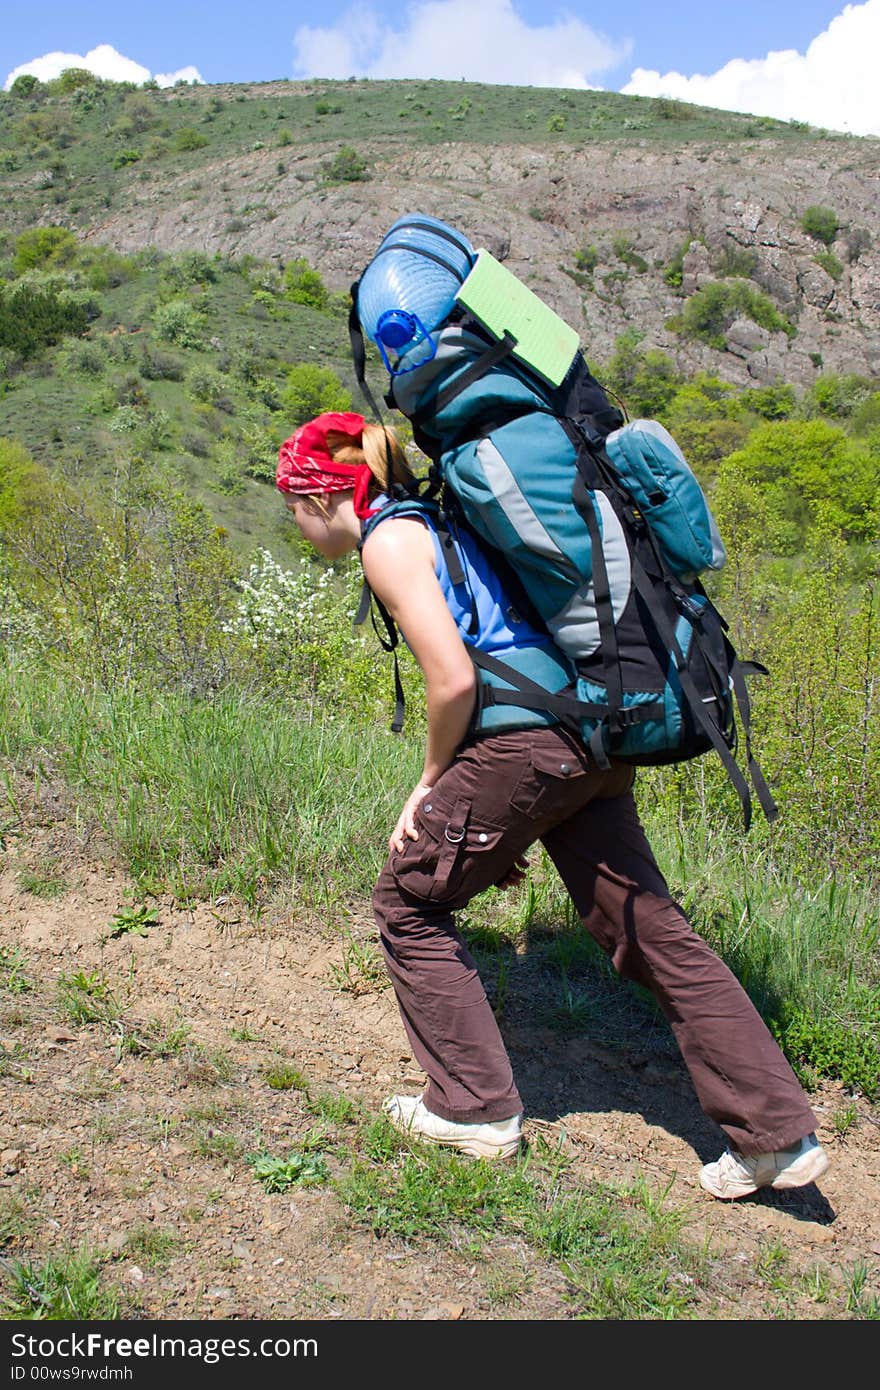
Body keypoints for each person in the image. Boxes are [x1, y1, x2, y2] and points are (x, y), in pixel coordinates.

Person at [275, 409, 830, 1201]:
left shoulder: (390, 542)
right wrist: (502, 820)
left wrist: (430, 783)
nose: (296, 527)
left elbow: (455, 681)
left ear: (324, 496)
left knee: (407, 902)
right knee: (649, 928)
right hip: (589, 739)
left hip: (527, 748)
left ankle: (472, 1109)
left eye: (292, 509)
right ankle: (776, 1133)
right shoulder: (440, 520)